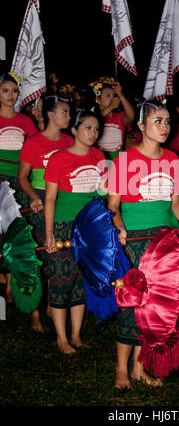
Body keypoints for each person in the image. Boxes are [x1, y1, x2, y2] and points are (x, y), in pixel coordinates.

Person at [107, 99, 179, 389]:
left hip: (165, 242)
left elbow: (175, 205)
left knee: (153, 308)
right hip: (135, 242)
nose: (164, 127)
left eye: (167, 121)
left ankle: (140, 368)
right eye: (157, 121)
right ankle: (121, 370)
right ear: (141, 126)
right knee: (131, 304)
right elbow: (112, 205)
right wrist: (121, 228)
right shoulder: (123, 161)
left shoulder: (174, 160)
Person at [44, 111, 107, 354]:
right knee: (61, 280)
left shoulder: (99, 156)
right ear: (74, 130)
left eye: (96, 129)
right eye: (88, 128)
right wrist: (50, 233)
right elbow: (50, 198)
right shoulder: (59, 158)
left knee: (82, 279)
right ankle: (61, 339)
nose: (93, 133)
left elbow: (102, 194)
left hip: (89, 228)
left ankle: (76, 335)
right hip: (64, 225)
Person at [18, 95, 74, 331]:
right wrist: (33, 197)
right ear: (50, 114)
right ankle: (34, 312)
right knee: (37, 258)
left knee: (57, 255)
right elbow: (22, 177)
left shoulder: (71, 141)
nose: (69, 117)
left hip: (61, 203)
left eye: (70, 113)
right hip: (38, 202)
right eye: (65, 112)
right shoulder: (33, 142)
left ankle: (53, 305)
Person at [0, 72, 37, 303]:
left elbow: (35, 150)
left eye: (14, 91)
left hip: (19, 182)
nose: (10, 95)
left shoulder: (25, 121)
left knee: (16, 231)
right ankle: (4, 278)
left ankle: (13, 280)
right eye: (5, 90)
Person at [92, 78, 135, 160]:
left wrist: (121, 95)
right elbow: (96, 120)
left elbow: (131, 117)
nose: (112, 99)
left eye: (113, 95)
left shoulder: (118, 116)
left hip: (118, 158)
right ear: (98, 99)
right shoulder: (93, 115)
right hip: (99, 159)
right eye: (108, 96)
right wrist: (110, 106)